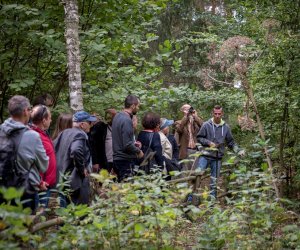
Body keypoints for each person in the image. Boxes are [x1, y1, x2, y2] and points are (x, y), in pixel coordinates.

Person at [0, 95, 48, 212]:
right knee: (25, 228)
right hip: (25, 192)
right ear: (26, 111)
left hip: (3, 190)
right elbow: (44, 166)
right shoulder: (32, 136)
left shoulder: (1, 130)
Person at [197, 105, 245, 198]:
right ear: (212, 113)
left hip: (217, 157)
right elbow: (199, 138)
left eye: (219, 114)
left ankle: (212, 202)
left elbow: (231, 142)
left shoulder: (226, 127)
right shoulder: (206, 125)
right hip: (205, 155)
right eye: (215, 114)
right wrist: (208, 142)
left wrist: (238, 150)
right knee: (197, 176)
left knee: (214, 181)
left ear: (222, 114)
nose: (217, 115)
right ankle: (191, 199)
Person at [54, 111, 96, 206]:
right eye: (89, 123)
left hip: (62, 179)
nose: (91, 125)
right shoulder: (79, 134)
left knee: (65, 211)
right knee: (80, 211)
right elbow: (76, 150)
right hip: (75, 181)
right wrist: (82, 169)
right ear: (82, 124)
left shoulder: (64, 133)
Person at [30, 105, 57, 209]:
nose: (51, 120)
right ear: (44, 120)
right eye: (49, 117)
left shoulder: (43, 133)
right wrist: (40, 181)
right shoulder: (34, 135)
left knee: (42, 214)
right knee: (38, 215)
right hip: (41, 186)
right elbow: (30, 162)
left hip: (46, 184)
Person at [112, 95, 144, 181]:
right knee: (127, 190)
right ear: (133, 106)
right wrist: (139, 151)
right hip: (124, 161)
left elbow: (122, 139)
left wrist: (134, 143)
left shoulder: (117, 116)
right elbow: (127, 145)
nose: (138, 108)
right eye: (138, 106)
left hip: (117, 159)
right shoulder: (126, 120)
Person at [175, 104, 203, 170]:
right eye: (186, 109)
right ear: (182, 111)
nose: (189, 111)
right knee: (185, 172)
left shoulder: (195, 122)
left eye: (190, 109)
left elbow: (203, 127)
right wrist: (185, 117)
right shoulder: (178, 122)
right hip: (185, 151)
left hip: (196, 150)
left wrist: (195, 116)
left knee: (195, 172)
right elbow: (179, 130)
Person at [89, 109, 117, 173]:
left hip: (115, 161)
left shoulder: (118, 128)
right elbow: (93, 145)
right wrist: (95, 162)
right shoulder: (100, 127)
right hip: (103, 162)